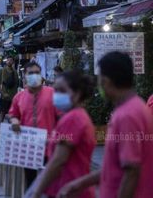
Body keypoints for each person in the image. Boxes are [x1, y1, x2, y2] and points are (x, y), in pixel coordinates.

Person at [58, 52, 153, 198]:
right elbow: (115, 167)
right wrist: (81, 183)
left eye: (99, 79)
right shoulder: (137, 107)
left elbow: (131, 171)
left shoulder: (127, 115)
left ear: (106, 81)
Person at [31, 71, 95, 198]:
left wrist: (36, 192)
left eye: (62, 90)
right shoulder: (78, 115)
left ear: (76, 94)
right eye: (55, 90)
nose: (56, 95)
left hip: (67, 190)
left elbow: (58, 160)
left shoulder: (72, 118)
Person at [9, 61, 60, 188]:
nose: (34, 75)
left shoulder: (52, 93)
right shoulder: (19, 97)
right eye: (30, 73)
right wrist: (14, 121)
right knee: (30, 183)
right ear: (24, 75)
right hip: (28, 147)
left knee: (51, 184)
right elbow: (13, 114)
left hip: (50, 146)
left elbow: (62, 116)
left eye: (37, 73)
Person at [0, 56, 19, 123]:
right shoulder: (1, 71)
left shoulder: (15, 72)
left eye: (11, 60)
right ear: (6, 61)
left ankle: (10, 130)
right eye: (8, 60)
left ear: (13, 62)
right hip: (4, 97)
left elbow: (17, 85)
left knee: (12, 114)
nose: (9, 61)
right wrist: (3, 93)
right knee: (2, 113)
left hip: (13, 97)